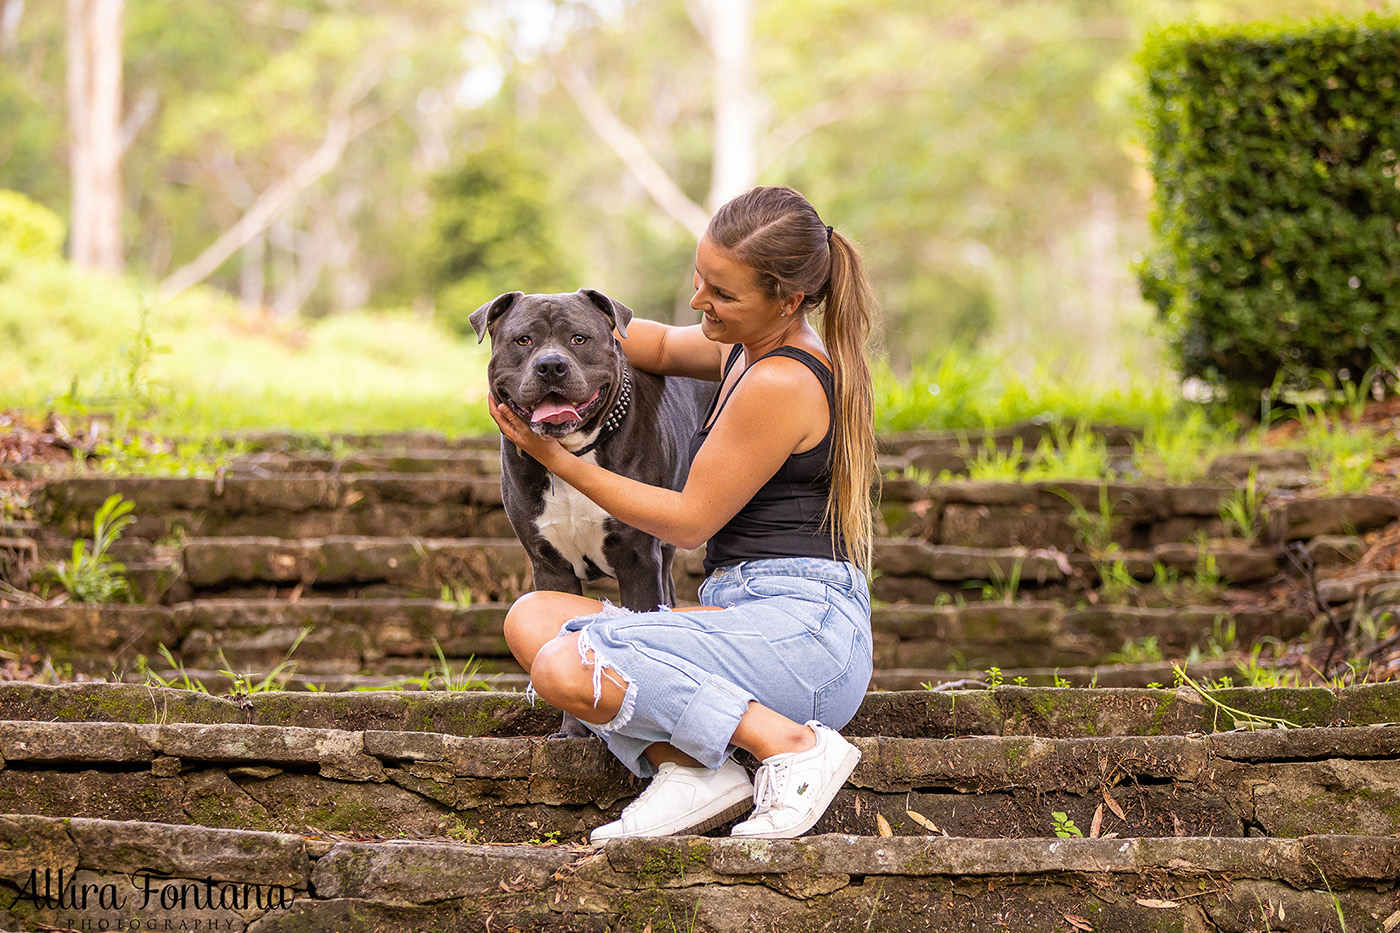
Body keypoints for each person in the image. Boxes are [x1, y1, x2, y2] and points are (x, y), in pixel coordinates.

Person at [488, 184, 878, 843]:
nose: (700, 300)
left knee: (564, 664)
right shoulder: (741, 347)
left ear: (786, 301)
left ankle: (788, 743)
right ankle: (694, 770)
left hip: (805, 637)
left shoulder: (782, 380)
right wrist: (547, 341)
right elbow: (660, 347)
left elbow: (687, 522)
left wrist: (561, 461)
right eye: (700, 279)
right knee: (533, 618)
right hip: (742, 615)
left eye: (722, 294)